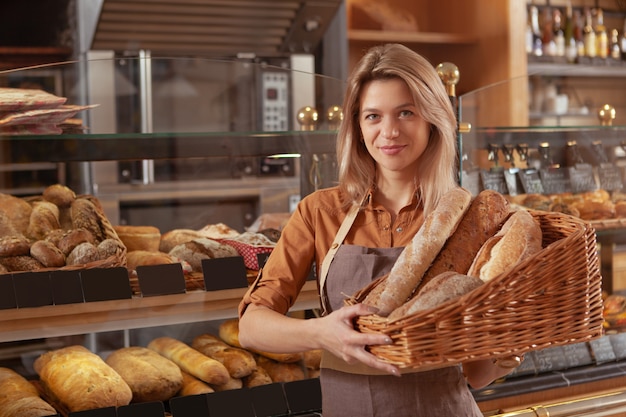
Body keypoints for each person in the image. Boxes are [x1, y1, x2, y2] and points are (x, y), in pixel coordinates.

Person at [238, 43, 520, 416]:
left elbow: (477, 375)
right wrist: (322, 333)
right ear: (356, 125)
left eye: (406, 112)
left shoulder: (468, 221)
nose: (389, 131)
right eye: (373, 116)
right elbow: (251, 326)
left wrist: (509, 331)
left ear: (432, 118)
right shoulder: (320, 212)